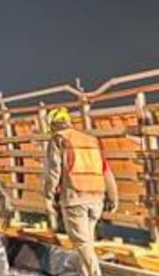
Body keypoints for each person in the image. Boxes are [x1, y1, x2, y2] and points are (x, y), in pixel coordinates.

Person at [43, 107, 118, 276]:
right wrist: (113, 196)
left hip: (75, 198)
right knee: (86, 245)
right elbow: (105, 170)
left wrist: (48, 197)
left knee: (83, 246)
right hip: (96, 198)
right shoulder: (90, 140)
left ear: (52, 125)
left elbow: (54, 171)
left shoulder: (58, 139)